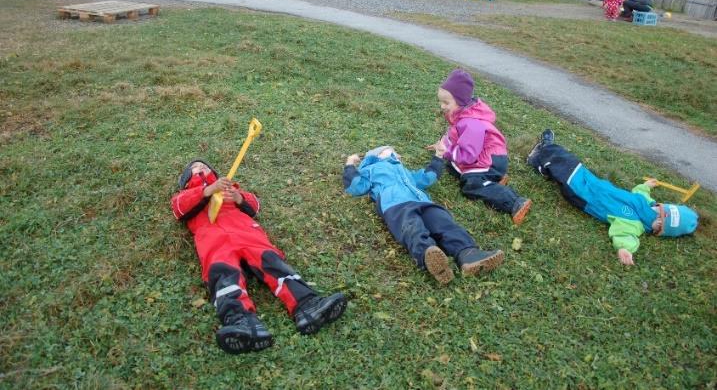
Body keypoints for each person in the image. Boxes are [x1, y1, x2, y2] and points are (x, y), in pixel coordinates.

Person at [171, 159, 347, 354]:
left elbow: (254, 205)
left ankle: (308, 305)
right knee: (224, 276)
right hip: (214, 239)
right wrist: (208, 190)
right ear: (186, 178)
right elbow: (179, 208)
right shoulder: (185, 195)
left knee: (274, 264)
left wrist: (237, 197)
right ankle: (241, 322)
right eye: (196, 168)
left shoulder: (231, 188)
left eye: (205, 166)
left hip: (247, 233)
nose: (201, 168)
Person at [526, 130, 699, 266]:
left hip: (585, 196)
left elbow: (625, 236)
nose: (656, 214)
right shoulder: (647, 203)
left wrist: (624, 249)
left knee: (567, 167)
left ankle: (544, 149)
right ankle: (542, 162)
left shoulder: (633, 224)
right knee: (572, 165)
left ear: (659, 230)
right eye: (660, 211)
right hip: (595, 184)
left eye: (659, 221)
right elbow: (641, 192)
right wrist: (647, 186)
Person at [343, 146, 504, 285]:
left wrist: (438, 156)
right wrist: (350, 163)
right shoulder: (371, 169)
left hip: (423, 202)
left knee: (445, 223)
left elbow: (427, 178)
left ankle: (468, 254)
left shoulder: (405, 172)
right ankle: (428, 254)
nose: (398, 155)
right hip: (395, 204)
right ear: (378, 154)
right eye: (393, 151)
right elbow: (356, 187)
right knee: (411, 227)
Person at [428, 69, 532, 225]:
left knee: (470, 185)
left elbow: (468, 155)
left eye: (446, 102)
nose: (442, 106)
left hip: (490, 161)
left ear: (460, 101)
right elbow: (455, 136)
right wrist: (443, 144)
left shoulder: (471, 124)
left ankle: (514, 201)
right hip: (481, 156)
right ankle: (492, 178)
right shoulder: (461, 113)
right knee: (452, 166)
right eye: (441, 101)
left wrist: (447, 151)